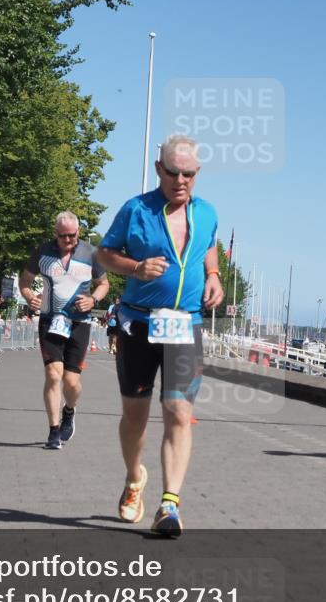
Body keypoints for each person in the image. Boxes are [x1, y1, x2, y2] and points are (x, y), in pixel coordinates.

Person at [97, 134, 223, 537]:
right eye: (173, 173)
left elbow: (208, 247)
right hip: (138, 323)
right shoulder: (135, 210)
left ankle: (170, 505)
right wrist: (134, 269)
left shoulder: (207, 213)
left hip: (185, 325)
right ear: (159, 170)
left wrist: (215, 276)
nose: (181, 180)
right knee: (135, 418)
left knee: (179, 412)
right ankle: (135, 478)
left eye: (189, 174)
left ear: (197, 173)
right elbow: (104, 254)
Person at [20, 211, 110, 450]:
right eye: (63, 236)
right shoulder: (42, 252)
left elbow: (104, 284)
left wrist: (92, 300)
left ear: (78, 232)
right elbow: (25, 281)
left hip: (79, 323)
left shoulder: (91, 253)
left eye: (72, 235)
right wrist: (29, 296)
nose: (68, 240)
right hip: (50, 320)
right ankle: (53, 430)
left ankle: (69, 410)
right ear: (55, 234)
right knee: (52, 374)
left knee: (71, 382)